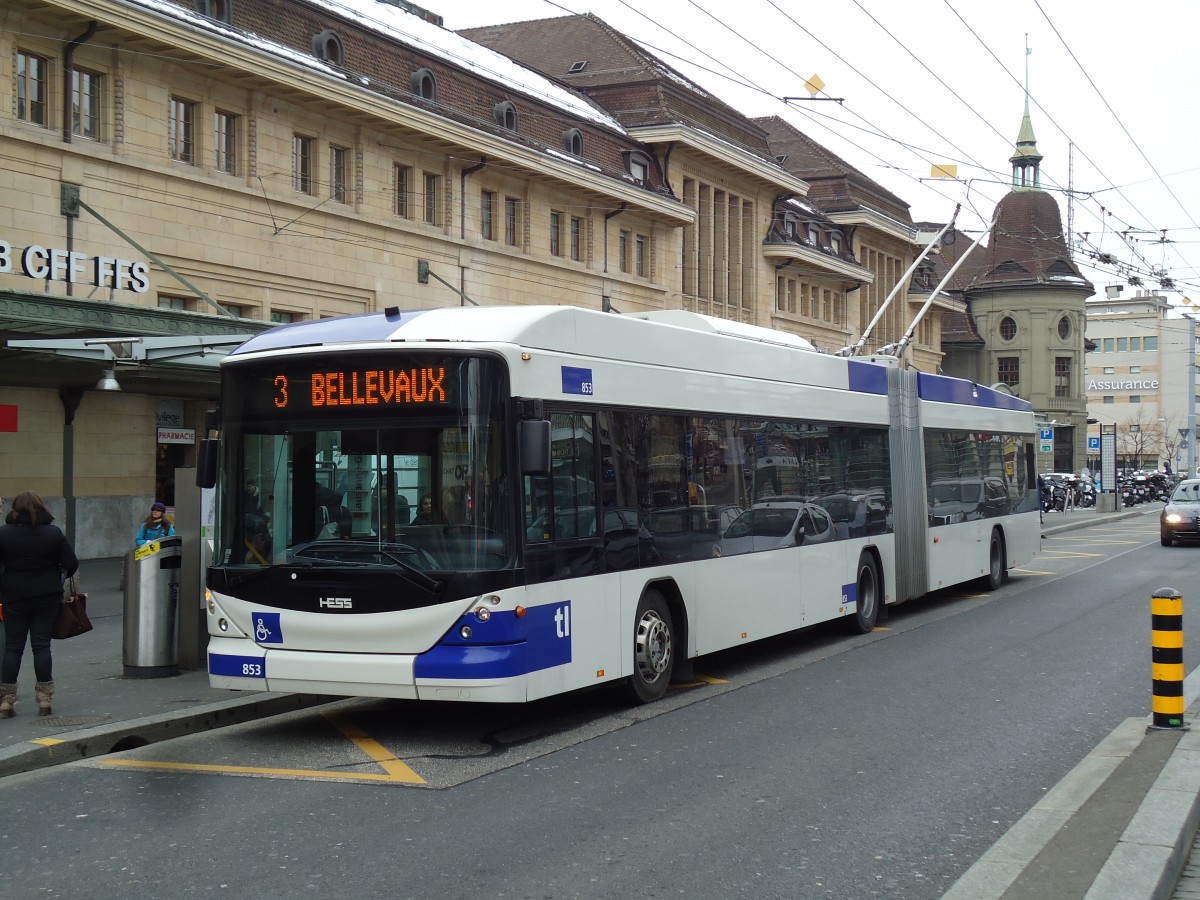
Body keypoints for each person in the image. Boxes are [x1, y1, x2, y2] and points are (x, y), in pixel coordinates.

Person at [0, 491, 79, 717]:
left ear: (14, 509)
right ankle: (44, 698)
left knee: (13, 648)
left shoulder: (4, 534)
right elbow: (71, 563)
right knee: (41, 646)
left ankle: (7, 700)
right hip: (46, 596)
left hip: (14, 596)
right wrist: (56, 574)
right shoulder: (53, 533)